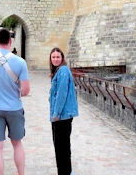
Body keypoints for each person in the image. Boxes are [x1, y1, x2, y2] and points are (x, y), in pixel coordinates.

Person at [0, 27, 30, 175]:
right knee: (17, 145)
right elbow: (26, 90)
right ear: (10, 42)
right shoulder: (20, 62)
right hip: (14, 108)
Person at [49, 47, 78, 175]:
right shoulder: (59, 71)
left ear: (62, 58)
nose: (55, 59)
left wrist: (56, 114)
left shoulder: (63, 71)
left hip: (62, 116)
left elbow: (62, 94)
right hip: (62, 115)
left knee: (61, 148)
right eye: (53, 57)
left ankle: (65, 172)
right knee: (62, 146)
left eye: (58, 57)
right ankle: (67, 171)